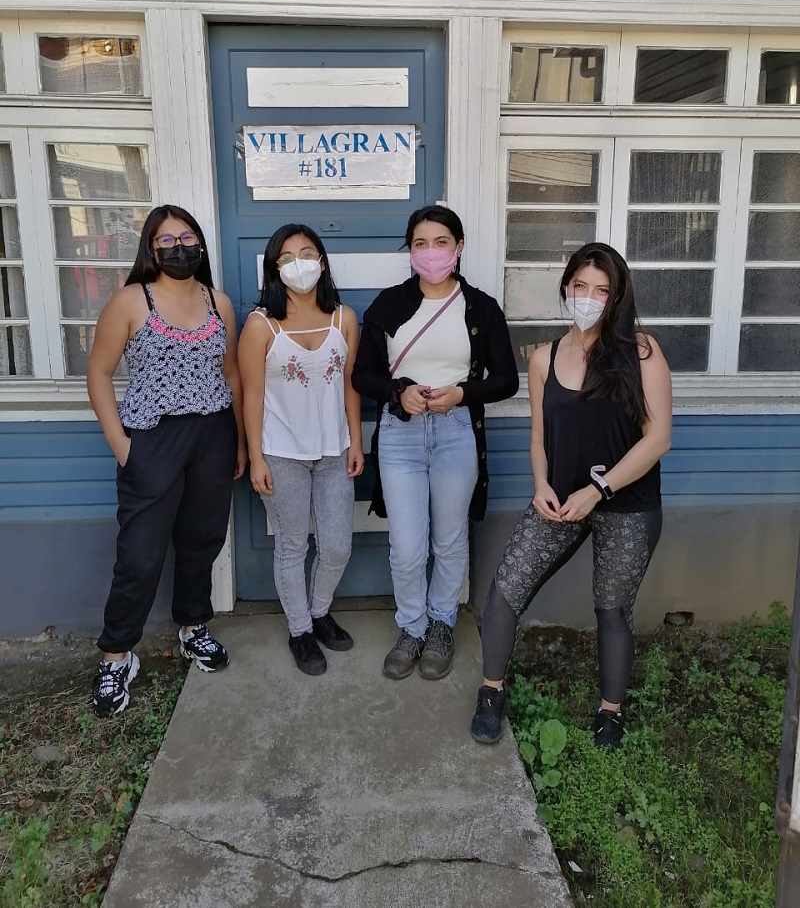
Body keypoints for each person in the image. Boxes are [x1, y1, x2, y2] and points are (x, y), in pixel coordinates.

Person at [470, 242, 672, 749]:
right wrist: (541, 484)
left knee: (612, 608)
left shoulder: (642, 352)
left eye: (602, 290)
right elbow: (539, 440)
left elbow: (658, 439)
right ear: (565, 288)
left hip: (626, 504)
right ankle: (492, 692)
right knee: (504, 591)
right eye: (580, 286)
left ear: (617, 296)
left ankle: (610, 713)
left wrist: (598, 489)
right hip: (559, 501)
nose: (588, 298)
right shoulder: (544, 358)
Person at [87, 205, 246, 717]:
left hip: (213, 434)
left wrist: (239, 442)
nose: (179, 247)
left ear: (200, 243)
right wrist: (122, 445)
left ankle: (193, 626)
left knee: (202, 540)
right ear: (151, 249)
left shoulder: (219, 302)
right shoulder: (132, 300)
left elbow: (231, 374)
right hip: (152, 438)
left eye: (187, 237)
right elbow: (99, 373)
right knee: (140, 552)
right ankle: (116, 656)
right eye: (167, 240)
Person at [352, 206, 519, 681]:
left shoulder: (481, 308)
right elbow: (362, 375)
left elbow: (506, 379)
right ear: (410, 251)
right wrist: (397, 390)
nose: (430, 253)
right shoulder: (388, 305)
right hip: (400, 436)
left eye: (441, 242)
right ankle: (412, 627)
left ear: (459, 247)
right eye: (420, 244)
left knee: (448, 540)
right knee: (407, 547)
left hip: (455, 433)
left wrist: (462, 394)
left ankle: (441, 623)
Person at [237, 224, 364, 676]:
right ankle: (300, 631)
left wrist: (355, 440)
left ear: (322, 263)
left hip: (334, 451)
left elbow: (351, 385)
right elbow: (251, 396)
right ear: (275, 269)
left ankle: (319, 611)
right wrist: (256, 457)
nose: (299, 265)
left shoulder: (344, 319)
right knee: (291, 546)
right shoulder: (260, 326)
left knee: (337, 546)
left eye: (307, 254)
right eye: (287, 258)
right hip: (281, 452)